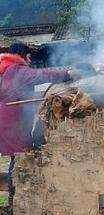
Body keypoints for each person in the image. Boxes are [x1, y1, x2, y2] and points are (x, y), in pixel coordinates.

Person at [0, 42, 77, 205]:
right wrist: (68, 72)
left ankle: (15, 200)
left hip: (7, 123)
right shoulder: (16, 71)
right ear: (26, 56)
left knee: (18, 158)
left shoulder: (5, 68)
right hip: (12, 125)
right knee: (20, 159)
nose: (30, 62)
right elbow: (42, 75)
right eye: (29, 59)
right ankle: (18, 202)